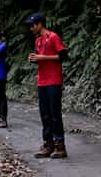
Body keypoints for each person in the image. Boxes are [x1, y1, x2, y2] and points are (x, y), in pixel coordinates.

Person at [25, 12, 68, 159]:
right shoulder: (38, 41)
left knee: (55, 114)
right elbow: (41, 58)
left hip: (54, 81)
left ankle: (60, 146)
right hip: (42, 81)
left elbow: (63, 56)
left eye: (32, 25)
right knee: (45, 114)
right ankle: (48, 144)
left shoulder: (53, 37)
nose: (31, 28)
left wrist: (42, 57)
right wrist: (34, 59)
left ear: (40, 24)